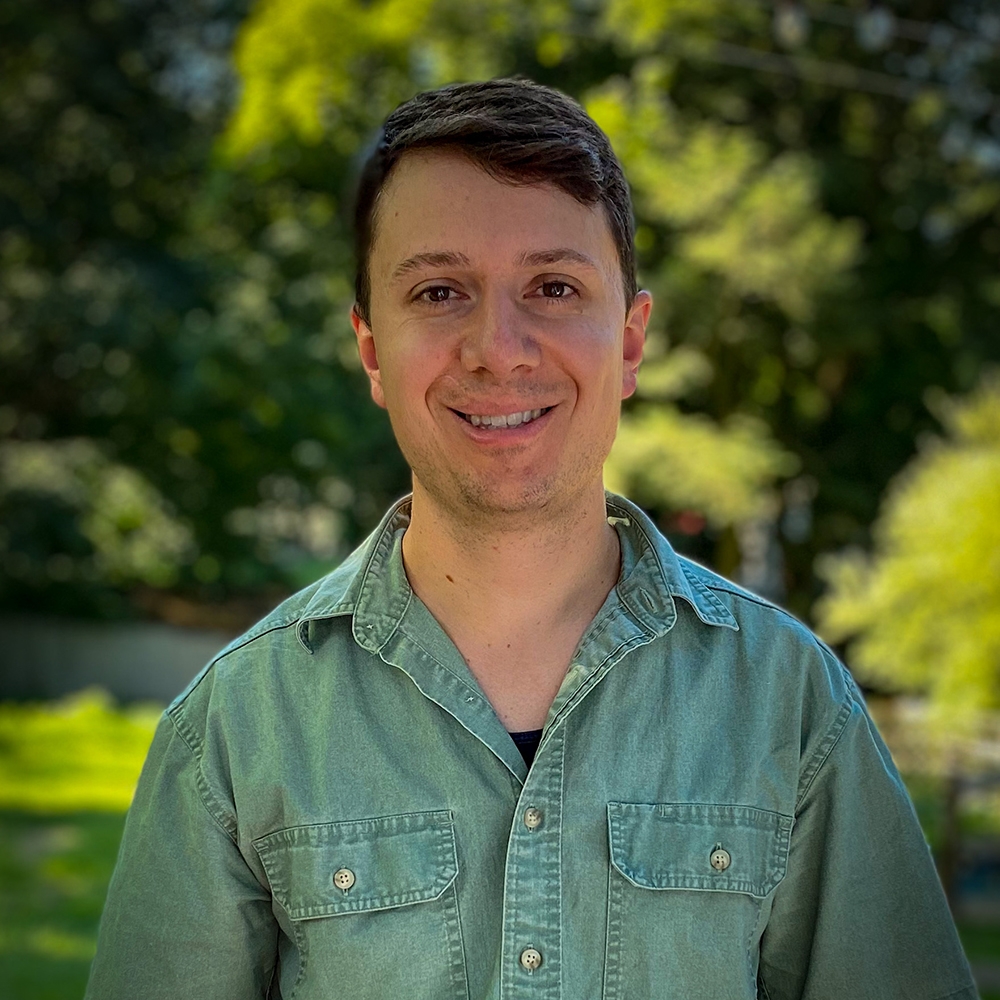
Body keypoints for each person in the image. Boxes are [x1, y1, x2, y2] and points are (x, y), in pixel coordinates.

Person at [85, 78, 977, 1000]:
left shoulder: (790, 705)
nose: (499, 349)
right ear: (373, 352)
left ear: (628, 344)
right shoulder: (234, 728)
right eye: (439, 291)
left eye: (554, 287)